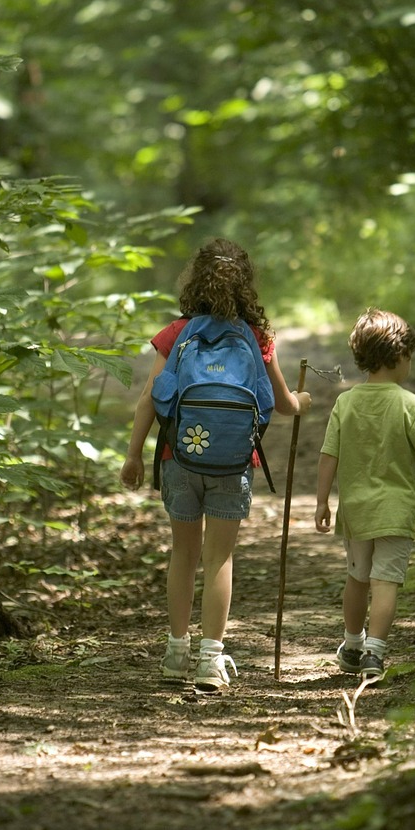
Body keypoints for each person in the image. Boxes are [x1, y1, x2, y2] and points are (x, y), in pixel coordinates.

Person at [121, 238, 312, 691]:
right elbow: (284, 404)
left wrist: (133, 455)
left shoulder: (176, 333)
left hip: (178, 457)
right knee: (219, 557)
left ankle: (175, 652)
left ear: (195, 281)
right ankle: (211, 659)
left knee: (183, 555)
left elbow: (151, 396)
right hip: (232, 463)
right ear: (246, 285)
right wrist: (302, 400)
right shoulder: (257, 336)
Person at [314, 308, 415, 683]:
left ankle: (352, 644)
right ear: (399, 356)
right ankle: (375, 652)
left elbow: (329, 454)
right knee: (386, 581)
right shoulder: (411, 405)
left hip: (357, 510)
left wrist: (321, 501)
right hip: (396, 511)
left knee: (357, 577)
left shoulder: (346, 403)